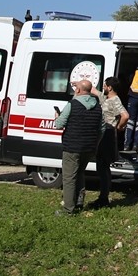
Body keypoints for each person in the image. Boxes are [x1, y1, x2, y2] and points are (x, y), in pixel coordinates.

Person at [51, 78, 103, 215]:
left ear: (78, 90)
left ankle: (68, 209)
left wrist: (57, 117)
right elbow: (102, 128)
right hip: (88, 147)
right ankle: (79, 201)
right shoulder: (98, 106)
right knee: (80, 173)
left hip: (72, 146)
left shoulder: (72, 104)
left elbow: (59, 125)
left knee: (69, 178)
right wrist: (95, 144)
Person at [92, 76, 129, 208]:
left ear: (110, 87)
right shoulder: (106, 98)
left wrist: (118, 126)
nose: (103, 87)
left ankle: (104, 198)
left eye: (104, 85)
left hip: (108, 133)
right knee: (101, 166)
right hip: (103, 133)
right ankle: (103, 197)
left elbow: (125, 115)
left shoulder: (115, 100)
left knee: (103, 166)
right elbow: (94, 91)